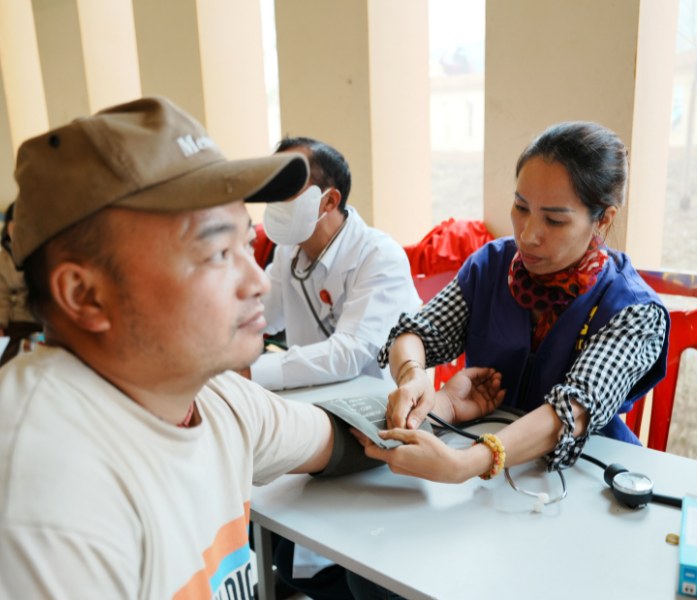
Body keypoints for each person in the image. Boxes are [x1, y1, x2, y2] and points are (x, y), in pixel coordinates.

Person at [0, 96, 502, 599]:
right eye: (218, 252)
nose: (256, 282)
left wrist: (442, 405)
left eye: (245, 244)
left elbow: (341, 435)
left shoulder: (217, 401)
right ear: (84, 294)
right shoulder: (45, 495)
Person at [369, 120, 670, 479]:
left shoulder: (634, 311)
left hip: (583, 476)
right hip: (486, 470)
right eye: (521, 207)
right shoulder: (490, 267)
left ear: (603, 219)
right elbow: (416, 333)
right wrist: (413, 376)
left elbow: (572, 409)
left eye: (554, 221)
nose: (528, 235)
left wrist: (466, 464)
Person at [246, 136, 421, 391]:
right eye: (274, 186)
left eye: (288, 185)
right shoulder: (288, 253)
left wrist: (249, 371)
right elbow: (257, 315)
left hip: (376, 405)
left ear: (329, 201)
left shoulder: (381, 256)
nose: (276, 197)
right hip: (309, 399)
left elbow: (348, 354)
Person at [0, 201, 42, 366]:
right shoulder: (3, 261)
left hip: (39, 322)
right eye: (14, 225)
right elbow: (1, 296)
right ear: (8, 228)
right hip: (13, 322)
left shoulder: (42, 257)